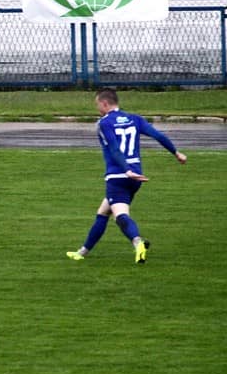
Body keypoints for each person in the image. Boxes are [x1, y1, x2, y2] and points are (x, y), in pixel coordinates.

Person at [66, 88, 187, 264]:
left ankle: (138, 242)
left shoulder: (104, 123)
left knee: (120, 215)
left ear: (104, 103)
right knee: (103, 212)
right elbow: (158, 135)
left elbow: (114, 149)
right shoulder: (134, 119)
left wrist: (126, 169)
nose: (97, 108)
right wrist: (176, 152)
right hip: (136, 176)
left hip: (118, 176)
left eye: (97, 104)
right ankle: (82, 252)